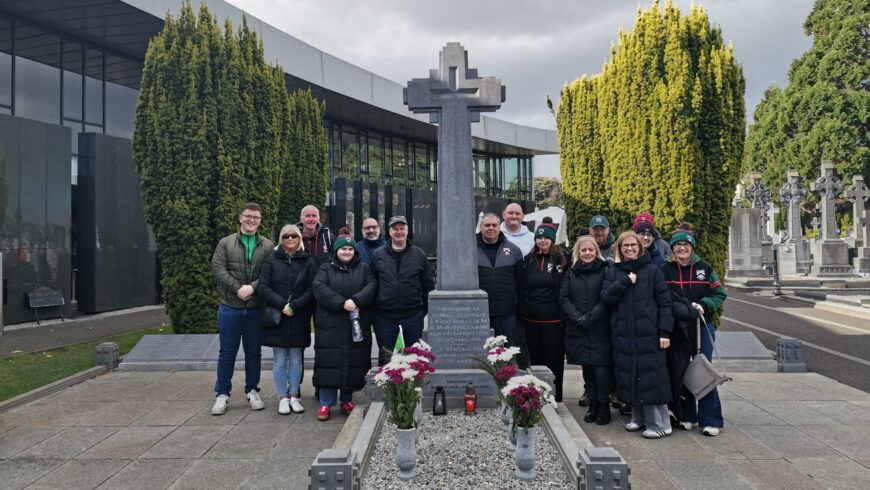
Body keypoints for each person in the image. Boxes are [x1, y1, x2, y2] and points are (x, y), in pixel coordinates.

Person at [601, 231, 674, 439]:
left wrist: (664, 331)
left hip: (649, 333)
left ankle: (660, 423)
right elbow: (606, 298)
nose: (630, 249)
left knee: (652, 376)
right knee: (631, 374)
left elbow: (665, 303)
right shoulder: (614, 272)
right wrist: (623, 282)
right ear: (619, 249)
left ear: (640, 248)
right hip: (624, 334)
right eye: (625, 246)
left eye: (633, 245)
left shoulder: (652, 271)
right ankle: (638, 417)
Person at [661, 226, 727, 436]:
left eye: (686, 245)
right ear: (672, 248)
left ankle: (711, 419)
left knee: (703, 370)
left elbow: (719, 293)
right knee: (681, 371)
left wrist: (705, 304)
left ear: (692, 247)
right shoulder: (665, 270)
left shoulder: (704, 268)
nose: (682, 248)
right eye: (678, 245)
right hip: (678, 328)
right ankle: (688, 415)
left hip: (701, 325)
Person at [211, 203, 274, 415]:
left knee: (253, 352)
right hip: (230, 306)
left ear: (260, 221)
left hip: (255, 308)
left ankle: (252, 390)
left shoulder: (267, 245)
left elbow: (268, 273)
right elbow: (218, 269)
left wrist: (252, 288)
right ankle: (222, 393)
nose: (251, 220)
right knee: (227, 352)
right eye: (248, 216)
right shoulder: (226, 243)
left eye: (256, 217)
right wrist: (239, 288)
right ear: (240, 218)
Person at [312, 228, 376, 421]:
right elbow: (319, 288)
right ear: (336, 251)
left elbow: (371, 286)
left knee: (352, 363)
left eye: (350, 248)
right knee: (329, 364)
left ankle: (346, 400)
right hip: (330, 325)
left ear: (355, 251)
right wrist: (342, 303)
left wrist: (356, 300)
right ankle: (325, 403)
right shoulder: (326, 268)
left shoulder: (364, 269)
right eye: (343, 249)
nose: (346, 252)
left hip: (355, 325)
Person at [258, 224, 317, 414]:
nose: (290, 239)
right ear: (280, 240)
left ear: (299, 238)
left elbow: (312, 288)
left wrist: (295, 305)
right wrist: (282, 304)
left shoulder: (308, 261)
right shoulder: (271, 261)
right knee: (280, 360)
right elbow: (264, 287)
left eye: (294, 236)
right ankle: (282, 397)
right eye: (285, 236)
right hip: (279, 317)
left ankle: (294, 396)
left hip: (298, 316)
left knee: (296, 359)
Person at [560, 235, 613, 424]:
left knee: (601, 370)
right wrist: (577, 317)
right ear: (578, 252)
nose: (587, 253)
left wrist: (591, 317)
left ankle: (604, 406)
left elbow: (608, 297)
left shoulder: (607, 269)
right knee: (587, 369)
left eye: (591, 249)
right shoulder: (572, 272)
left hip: (599, 327)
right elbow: (564, 298)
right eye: (583, 250)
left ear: (596, 251)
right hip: (579, 328)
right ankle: (592, 405)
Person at [370, 216, 434, 366]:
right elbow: (372, 284)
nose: (399, 232)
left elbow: (428, 285)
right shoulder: (378, 255)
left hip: (412, 316)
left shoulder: (419, 255)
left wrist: (421, 312)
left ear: (407, 230)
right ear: (389, 231)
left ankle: (413, 389)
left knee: (413, 359)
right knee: (386, 359)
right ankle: (387, 389)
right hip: (384, 317)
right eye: (395, 229)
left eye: (402, 228)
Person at [519, 218, 568, 401]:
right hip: (531, 319)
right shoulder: (528, 260)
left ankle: (556, 396)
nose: (542, 241)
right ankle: (538, 394)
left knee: (554, 360)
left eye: (546, 238)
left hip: (554, 320)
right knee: (536, 359)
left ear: (552, 240)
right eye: (539, 238)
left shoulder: (562, 259)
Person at [477, 213, 523, 348]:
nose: (491, 228)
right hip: (479, 314)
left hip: (506, 313)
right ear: (481, 227)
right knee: (481, 354)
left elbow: (520, 282)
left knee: (506, 352)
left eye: (494, 225)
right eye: (487, 225)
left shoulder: (514, 251)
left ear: (499, 227)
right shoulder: (469, 250)